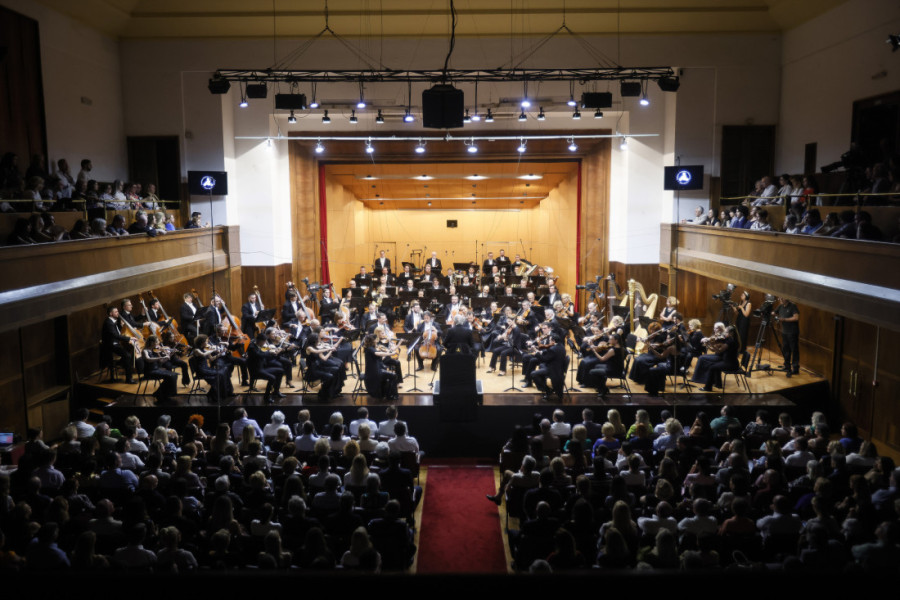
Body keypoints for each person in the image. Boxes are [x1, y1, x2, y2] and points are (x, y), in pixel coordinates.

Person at [363, 333, 399, 401]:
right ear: (372, 341)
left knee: (392, 375)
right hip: (375, 372)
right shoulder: (370, 349)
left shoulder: (370, 348)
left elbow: (378, 358)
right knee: (394, 375)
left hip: (376, 370)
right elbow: (378, 354)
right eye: (375, 339)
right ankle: (392, 395)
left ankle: (388, 393)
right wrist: (390, 354)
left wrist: (386, 354)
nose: (376, 340)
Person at [776, 297, 800, 377]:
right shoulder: (780, 306)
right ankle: (787, 366)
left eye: (782, 298)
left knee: (794, 350)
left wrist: (784, 319)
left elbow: (796, 317)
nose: (781, 299)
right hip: (784, 332)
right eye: (780, 298)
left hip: (792, 332)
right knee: (785, 350)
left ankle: (795, 368)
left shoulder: (792, 306)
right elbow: (774, 313)